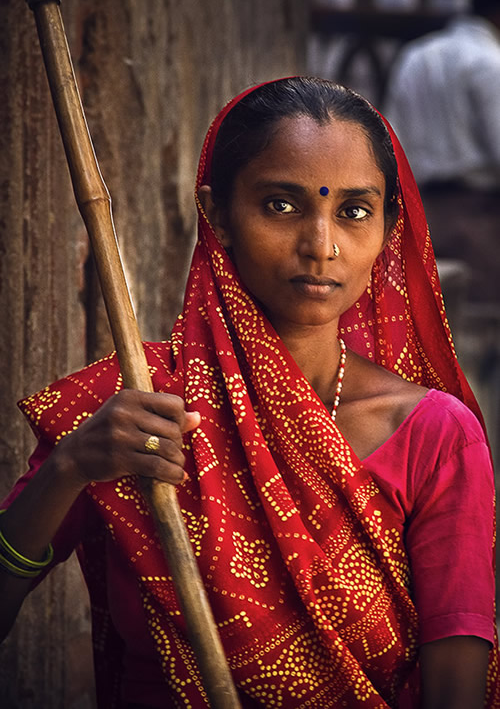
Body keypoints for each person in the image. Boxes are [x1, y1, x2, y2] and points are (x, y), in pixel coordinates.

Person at [0, 77, 499, 708]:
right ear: (217, 214)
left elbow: (457, 685)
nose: (322, 246)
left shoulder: (435, 435)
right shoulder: (138, 410)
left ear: (387, 228)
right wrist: (68, 468)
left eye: (353, 211)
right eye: (281, 205)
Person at [384, 0, 500, 307]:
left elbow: (391, 140)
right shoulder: (490, 64)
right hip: (478, 217)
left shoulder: (417, 54)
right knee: (479, 325)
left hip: (420, 214)